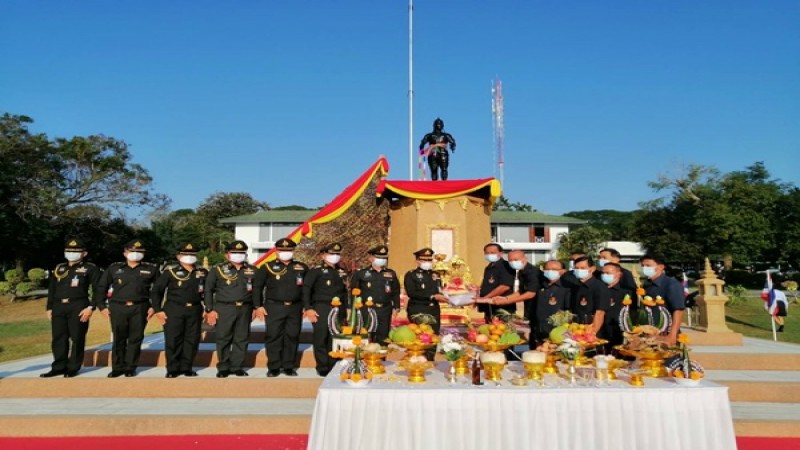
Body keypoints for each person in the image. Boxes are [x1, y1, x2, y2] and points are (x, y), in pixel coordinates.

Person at [96, 239, 158, 378]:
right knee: (119, 338)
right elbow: (101, 287)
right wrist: (101, 306)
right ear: (125, 252)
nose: (135, 254)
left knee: (135, 338)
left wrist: (154, 307)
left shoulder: (151, 269)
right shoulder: (114, 268)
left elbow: (158, 290)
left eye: (139, 251)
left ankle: (130, 367)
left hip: (140, 307)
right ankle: (117, 367)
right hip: (118, 307)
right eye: (132, 251)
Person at [204, 240, 266, 378]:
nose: (238, 255)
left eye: (241, 253)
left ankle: (237, 366)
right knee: (223, 337)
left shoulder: (252, 270)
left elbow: (257, 291)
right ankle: (223, 367)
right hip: (224, 308)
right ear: (227, 255)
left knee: (242, 338)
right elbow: (208, 290)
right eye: (235, 252)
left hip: (245, 308)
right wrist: (209, 309)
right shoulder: (218, 270)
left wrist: (257, 306)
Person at [41, 238, 101, 378]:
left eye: (75, 251)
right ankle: (58, 366)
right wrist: (49, 307)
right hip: (58, 306)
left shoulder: (90, 268)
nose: (72, 253)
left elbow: (98, 289)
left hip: (78, 305)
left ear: (84, 253)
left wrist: (91, 307)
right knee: (59, 338)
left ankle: (73, 367)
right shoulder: (59, 268)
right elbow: (52, 289)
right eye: (69, 250)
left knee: (77, 337)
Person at [151, 243, 208, 378]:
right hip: (174, 309)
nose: (189, 257)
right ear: (178, 256)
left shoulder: (202, 272)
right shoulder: (170, 272)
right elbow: (156, 291)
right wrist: (158, 310)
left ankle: (187, 367)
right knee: (173, 339)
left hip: (194, 309)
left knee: (192, 340)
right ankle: (172, 368)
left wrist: (208, 307)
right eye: (186, 254)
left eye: (192, 254)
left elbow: (208, 291)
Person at [257, 238, 308, 377]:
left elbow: (306, 289)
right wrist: (258, 306)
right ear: (277, 251)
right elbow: (257, 287)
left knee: (292, 336)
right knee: (273, 336)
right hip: (274, 307)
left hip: (295, 307)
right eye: (283, 250)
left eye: (289, 250)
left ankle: (288, 366)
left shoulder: (301, 267)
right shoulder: (267, 267)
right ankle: (273, 367)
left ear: (293, 251)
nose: (286, 252)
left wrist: (306, 305)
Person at [303, 243, 349, 377]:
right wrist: (308, 308)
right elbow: (306, 290)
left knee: (335, 337)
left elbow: (344, 292)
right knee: (321, 337)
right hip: (321, 307)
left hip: (338, 309)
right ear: (323, 255)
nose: (335, 256)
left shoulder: (342, 271)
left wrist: (347, 309)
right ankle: (322, 366)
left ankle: (333, 363)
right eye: (331, 254)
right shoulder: (316, 271)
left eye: (337, 254)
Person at [350, 245, 401, 345]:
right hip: (367, 309)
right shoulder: (361, 274)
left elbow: (395, 292)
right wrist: (355, 309)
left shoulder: (391, 273)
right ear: (371, 258)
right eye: (379, 257)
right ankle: (367, 359)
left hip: (385, 309)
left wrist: (396, 307)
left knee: (383, 338)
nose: (381, 260)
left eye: (383, 258)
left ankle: (381, 360)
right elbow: (354, 292)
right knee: (367, 337)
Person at [403, 247, 448, 359]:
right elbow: (412, 292)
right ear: (417, 261)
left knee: (433, 337)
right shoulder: (411, 274)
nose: (427, 263)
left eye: (429, 260)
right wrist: (432, 296)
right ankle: (417, 361)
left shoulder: (436, 274)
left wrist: (447, 296)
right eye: (424, 260)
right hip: (418, 309)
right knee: (420, 336)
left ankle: (430, 360)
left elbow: (439, 290)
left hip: (434, 309)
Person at [479, 250, 540, 318]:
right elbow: (521, 292)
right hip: (531, 310)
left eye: (516, 259)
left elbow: (530, 293)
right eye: (510, 260)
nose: (513, 262)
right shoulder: (521, 272)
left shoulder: (532, 273)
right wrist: (505, 298)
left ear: (525, 258)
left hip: (540, 309)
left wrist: (507, 301)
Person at [640, 254, 685, 345]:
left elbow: (678, 310)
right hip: (649, 333)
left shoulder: (671, 284)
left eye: (648, 266)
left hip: (665, 332)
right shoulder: (646, 284)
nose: (645, 268)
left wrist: (672, 335)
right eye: (643, 266)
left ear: (661, 267)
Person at [569, 256, 611, 339]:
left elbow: (600, 313)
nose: (579, 270)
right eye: (576, 268)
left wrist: (592, 333)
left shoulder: (599, 287)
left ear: (592, 269)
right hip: (577, 329)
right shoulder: (576, 286)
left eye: (583, 268)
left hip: (591, 330)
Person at [531, 260, 571, 344]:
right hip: (539, 330)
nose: (550, 271)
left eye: (554, 269)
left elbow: (568, 312)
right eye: (547, 269)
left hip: (558, 332)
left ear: (562, 271)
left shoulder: (567, 288)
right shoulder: (540, 286)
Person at [599, 262, 634, 349]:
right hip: (600, 333)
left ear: (619, 274)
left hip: (618, 333)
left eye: (608, 273)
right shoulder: (598, 290)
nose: (604, 275)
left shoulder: (627, 292)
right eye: (603, 273)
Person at [476, 243, 514, 322]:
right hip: (489, 306)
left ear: (500, 253)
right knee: (490, 331)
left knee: (504, 332)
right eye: (487, 253)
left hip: (502, 306)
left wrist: (485, 298)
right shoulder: (489, 267)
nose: (489, 255)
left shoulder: (506, 266)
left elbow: (505, 286)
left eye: (493, 253)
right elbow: (488, 285)